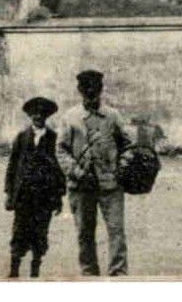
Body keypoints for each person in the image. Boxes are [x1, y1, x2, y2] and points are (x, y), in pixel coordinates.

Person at [54, 69, 132, 277]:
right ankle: (89, 274)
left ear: (101, 89)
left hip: (110, 185)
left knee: (116, 231)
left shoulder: (113, 116)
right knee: (84, 233)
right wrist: (77, 172)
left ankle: (118, 273)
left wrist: (120, 168)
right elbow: (61, 150)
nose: (91, 93)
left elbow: (127, 146)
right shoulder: (70, 118)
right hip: (81, 187)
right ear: (80, 90)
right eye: (86, 89)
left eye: (95, 88)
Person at [3, 96, 65, 279]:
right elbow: (12, 167)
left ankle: (35, 271)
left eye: (42, 114)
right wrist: (9, 193)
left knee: (40, 232)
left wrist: (59, 196)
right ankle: (14, 270)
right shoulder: (22, 138)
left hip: (44, 197)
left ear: (47, 116)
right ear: (30, 115)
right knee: (19, 230)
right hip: (23, 195)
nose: (38, 116)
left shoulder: (54, 138)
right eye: (34, 113)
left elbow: (60, 168)